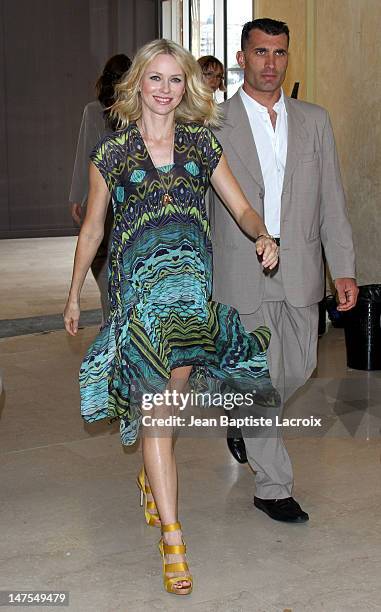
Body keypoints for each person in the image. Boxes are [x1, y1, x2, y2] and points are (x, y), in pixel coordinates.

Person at [63, 38, 280, 595]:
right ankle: (174, 539)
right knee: (158, 412)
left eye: (175, 80)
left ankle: (150, 478)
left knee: (170, 407)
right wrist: (72, 296)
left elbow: (240, 204)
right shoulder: (111, 155)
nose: (165, 90)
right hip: (138, 297)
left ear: (188, 87)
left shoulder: (201, 146)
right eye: (155, 79)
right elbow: (92, 229)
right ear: (138, 85)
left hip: (189, 297)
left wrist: (262, 234)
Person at [209, 18, 358, 523]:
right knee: (257, 379)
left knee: (298, 368)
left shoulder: (314, 120)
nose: (270, 64)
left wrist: (343, 268)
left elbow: (332, 201)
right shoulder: (212, 124)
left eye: (279, 53)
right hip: (239, 269)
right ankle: (273, 486)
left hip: (299, 270)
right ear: (241, 56)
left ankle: (241, 418)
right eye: (260, 53)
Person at [69, 54, 131, 323]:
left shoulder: (94, 110)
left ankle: (111, 320)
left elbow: (87, 154)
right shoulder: (136, 110)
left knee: (103, 260)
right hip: (130, 196)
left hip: (103, 198)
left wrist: (77, 197)